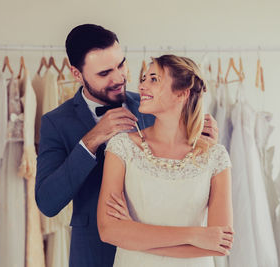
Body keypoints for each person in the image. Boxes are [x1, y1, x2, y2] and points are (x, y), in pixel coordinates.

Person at [35, 24, 219, 267]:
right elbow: (48, 202)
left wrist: (203, 143)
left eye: (121, 64)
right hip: (94, 254)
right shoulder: (55, 123)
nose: (119, 78)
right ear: (77, 74)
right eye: (104, 73)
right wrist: (91, 140)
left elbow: (187, 180)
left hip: (161, 253)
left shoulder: (154, 105)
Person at [97, 55, 233, 267]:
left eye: (154, 79)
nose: (142, 85)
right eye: (143, 78)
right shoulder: (122, 147)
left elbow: (219, 244)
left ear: (182, 93)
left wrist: (135, 236)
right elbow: (109, 231)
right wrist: (194, 235)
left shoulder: (215, 157)